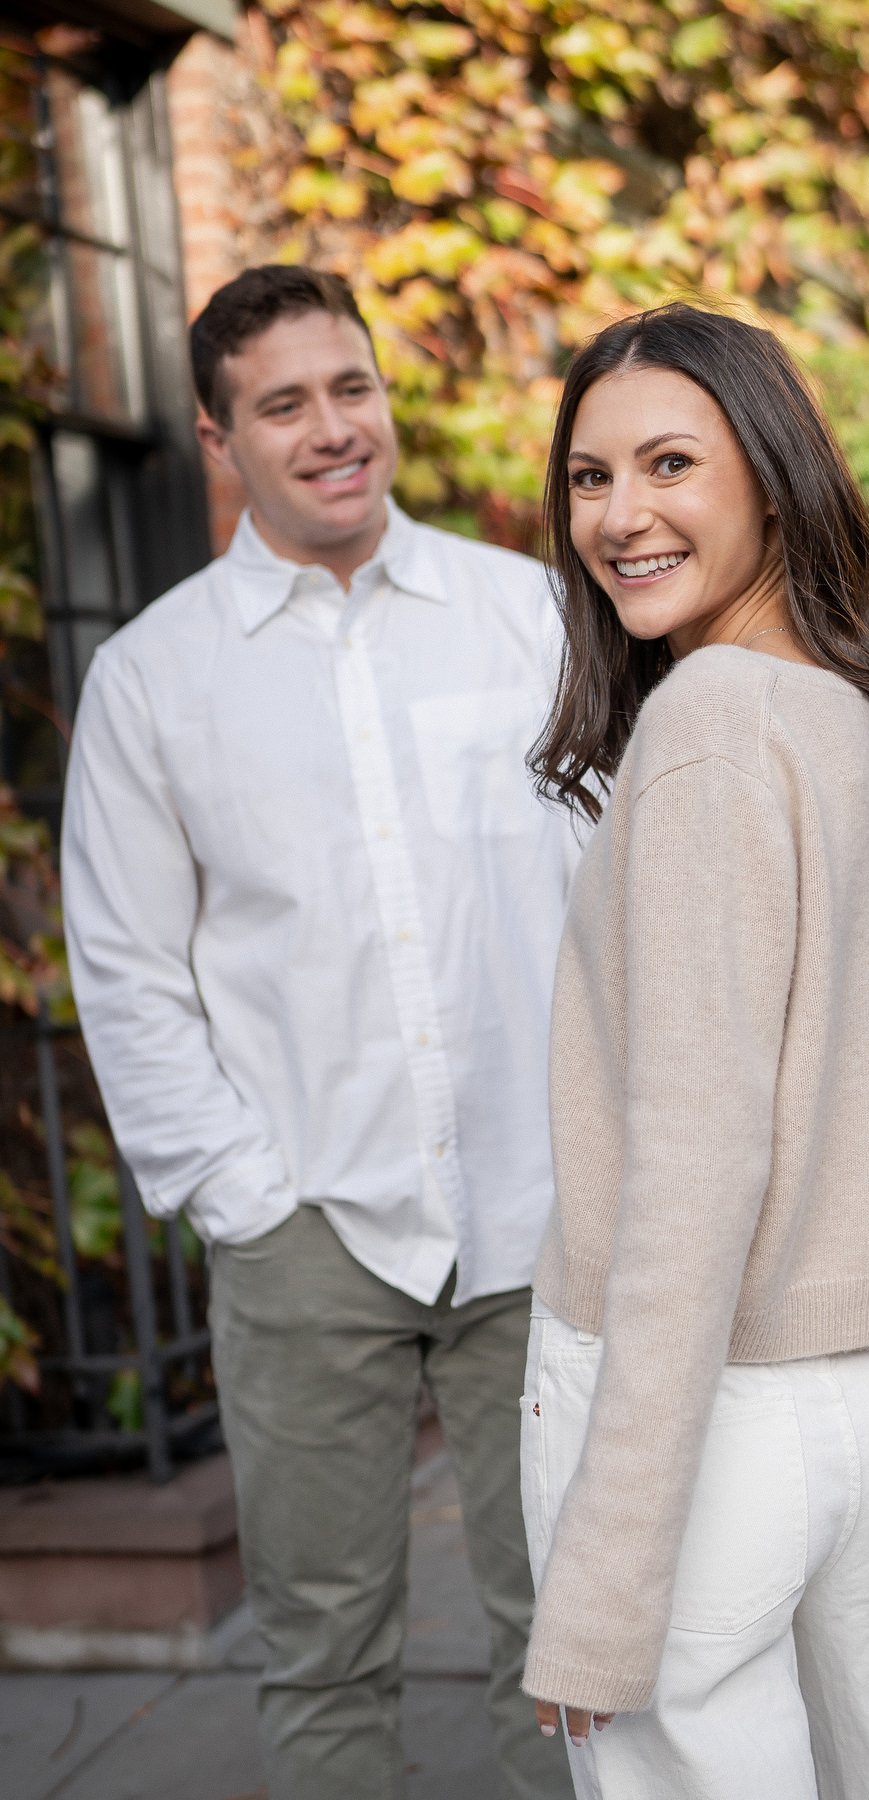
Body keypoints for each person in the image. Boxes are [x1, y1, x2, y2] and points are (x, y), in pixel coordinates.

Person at [61, 264, 576, 1800]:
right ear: (221, 442)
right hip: (308, 1232)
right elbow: (129, 965)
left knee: (574, 1639)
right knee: (326, 1648)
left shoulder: (528, 614)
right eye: (283, 404)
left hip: (540, 1214)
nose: (332, 428)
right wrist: (243, 1196)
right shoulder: (153, 678)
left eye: (350, 387)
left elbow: (619, 886)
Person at [517, 301, 869, 1799]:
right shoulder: (862, 721)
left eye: (670, 461)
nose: (620, 516)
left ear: (773, 477)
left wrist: (602, 1591)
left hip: (704, 1418)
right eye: (589, 478)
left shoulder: (713, 733)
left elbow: (695, 1166)